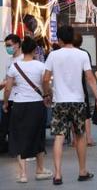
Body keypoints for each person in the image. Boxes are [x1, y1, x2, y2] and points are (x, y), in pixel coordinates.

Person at [44, 25, 97, 185]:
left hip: (60, 101)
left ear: (60, 39)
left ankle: (57, 174)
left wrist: (47, 94)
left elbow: (45, 78)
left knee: (59, 137)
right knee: (80, 135)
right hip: (78, 101)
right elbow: (90, 78)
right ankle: (82, 171)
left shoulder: (53, 55)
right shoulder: (82, 54)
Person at [3, 37, 52, 183]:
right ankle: (40, 170)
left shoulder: (14, 66)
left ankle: (23, 174)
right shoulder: (40, 66)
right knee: (38, 136)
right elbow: (45, 83)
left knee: (19, 137)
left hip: (19, 105)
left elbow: (8, 88)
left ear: (22, 49)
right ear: (35, 50)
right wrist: (48, 96)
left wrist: (6, 103)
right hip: (37, 105)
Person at [0, 34, 23, 154]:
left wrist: (6, 83)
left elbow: (19, 80)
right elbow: (6, 80)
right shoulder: (9, 61)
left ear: (17, 44)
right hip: (8, 98)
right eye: (6, 46)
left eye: (9, 45)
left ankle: (18, 151)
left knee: (17, 128)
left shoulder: (24, 59)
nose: (7, 48)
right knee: (5, 127)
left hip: (19, 98)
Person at [72, 33, 95, 147]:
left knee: (71, 114)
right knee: (86, 114)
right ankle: (88, 138)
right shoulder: (84, 53)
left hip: (66, 88)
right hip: (81, 87)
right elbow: (88, 74)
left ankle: (74, 139)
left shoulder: (61, 53)